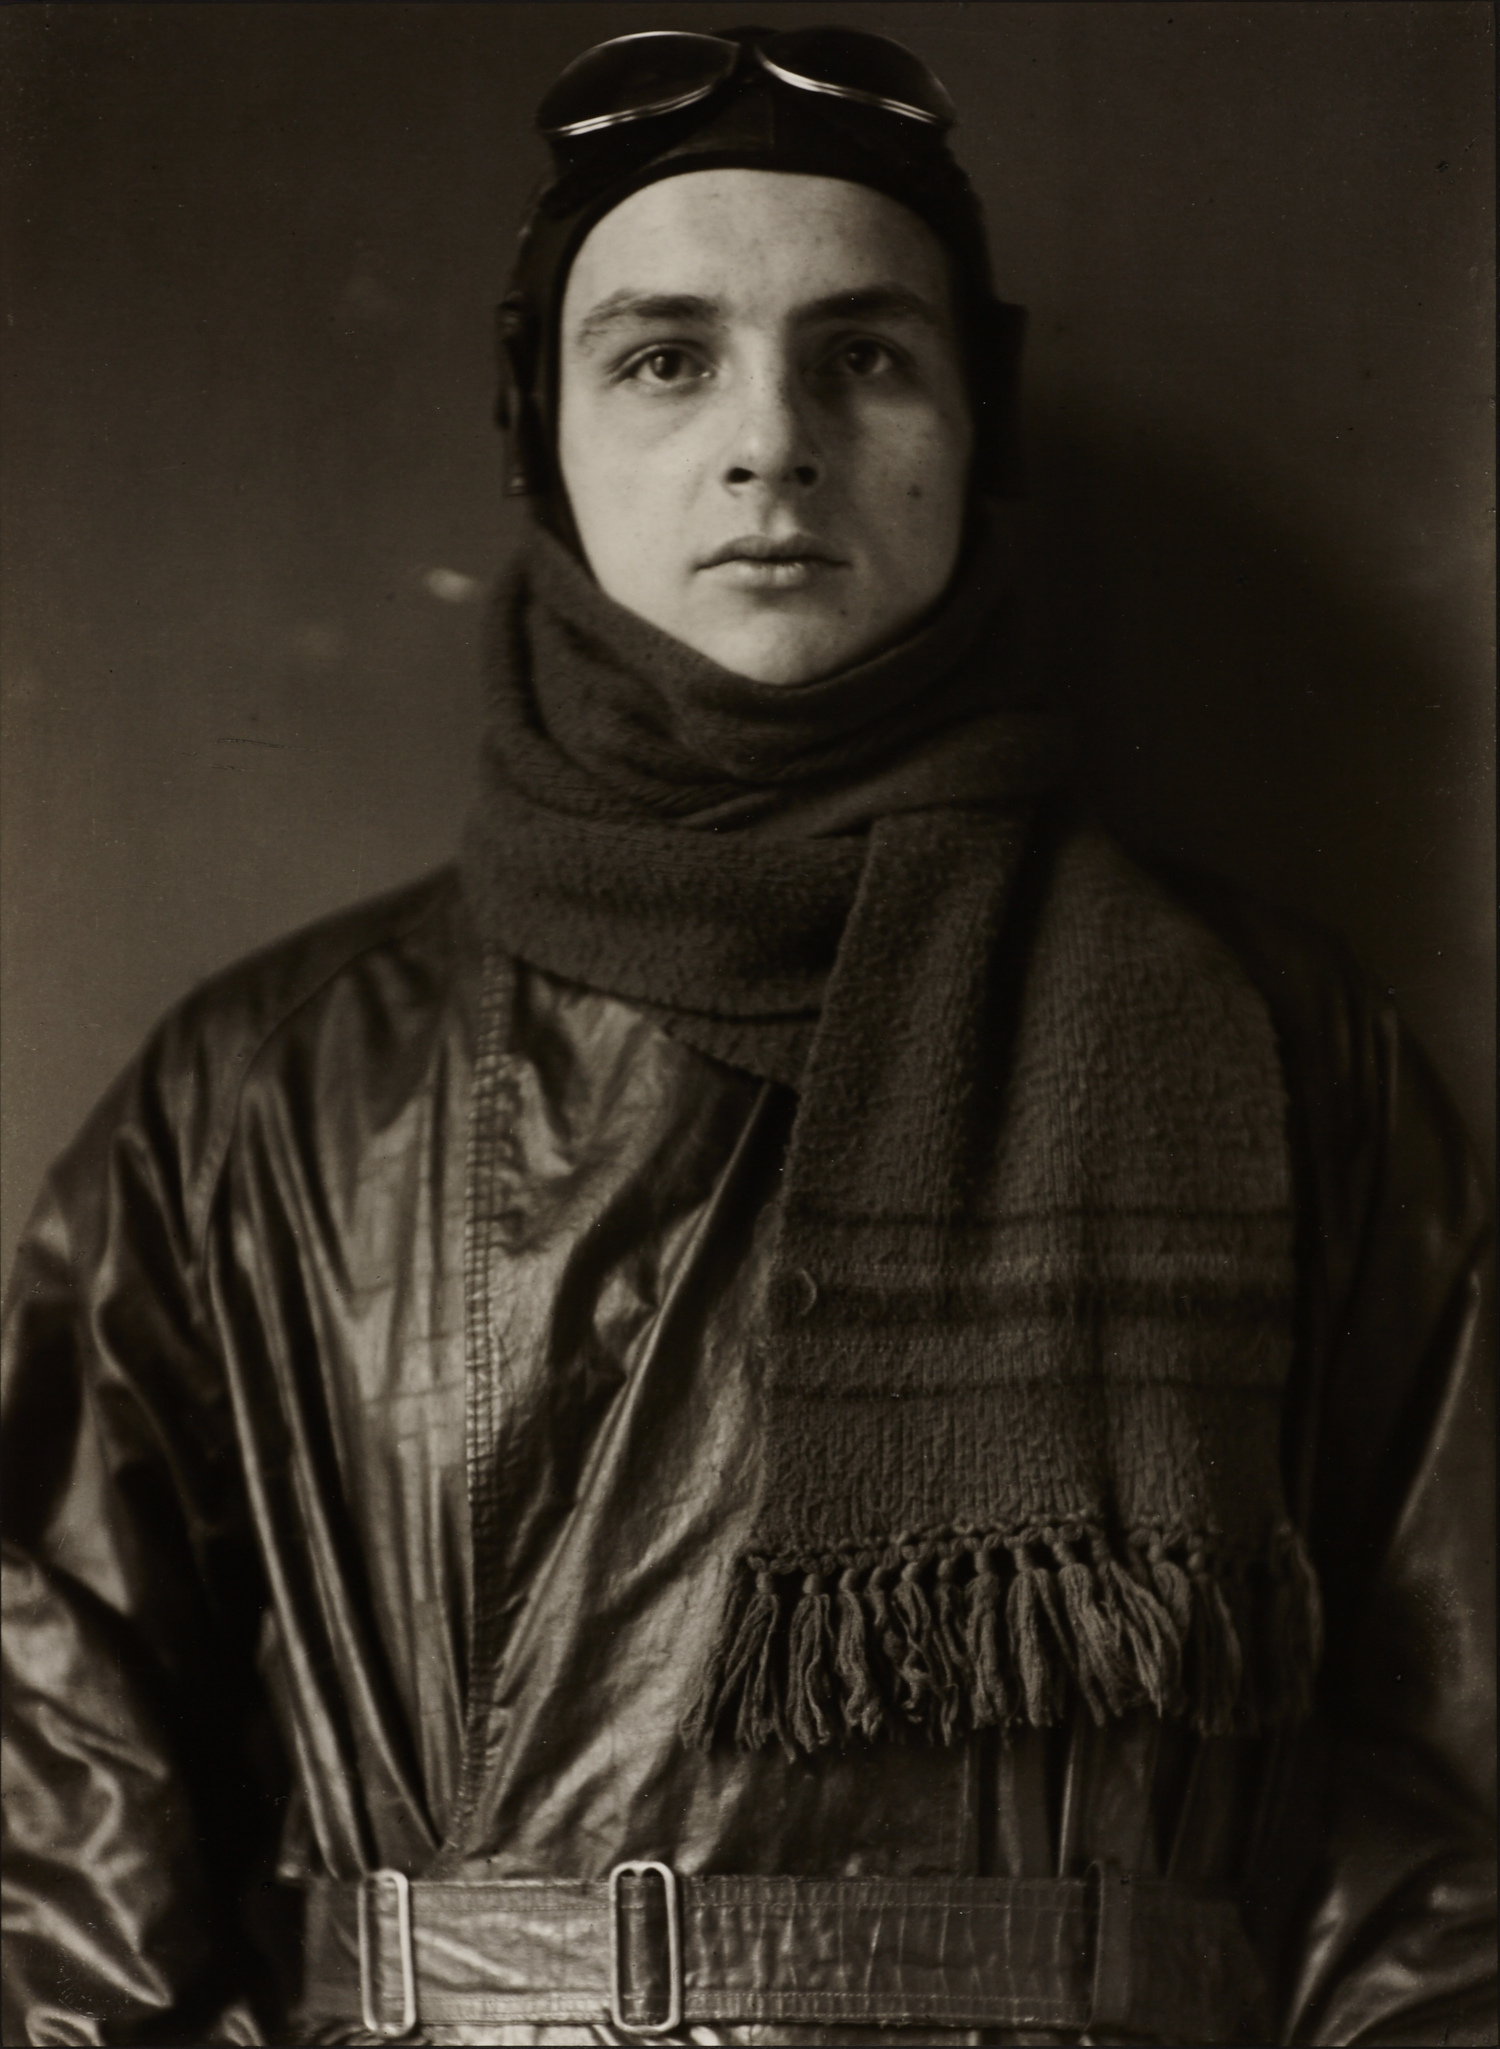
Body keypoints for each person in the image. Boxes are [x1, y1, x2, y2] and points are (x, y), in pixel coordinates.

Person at [1, 24, 1493, 2048]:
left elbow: (1452, 1799)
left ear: (983, 419)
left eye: (867, 353)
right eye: (666, 355)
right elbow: (58, 1786)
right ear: (540, 432)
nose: (771, 437)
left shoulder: (1275, 1047)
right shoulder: (259, 1097)